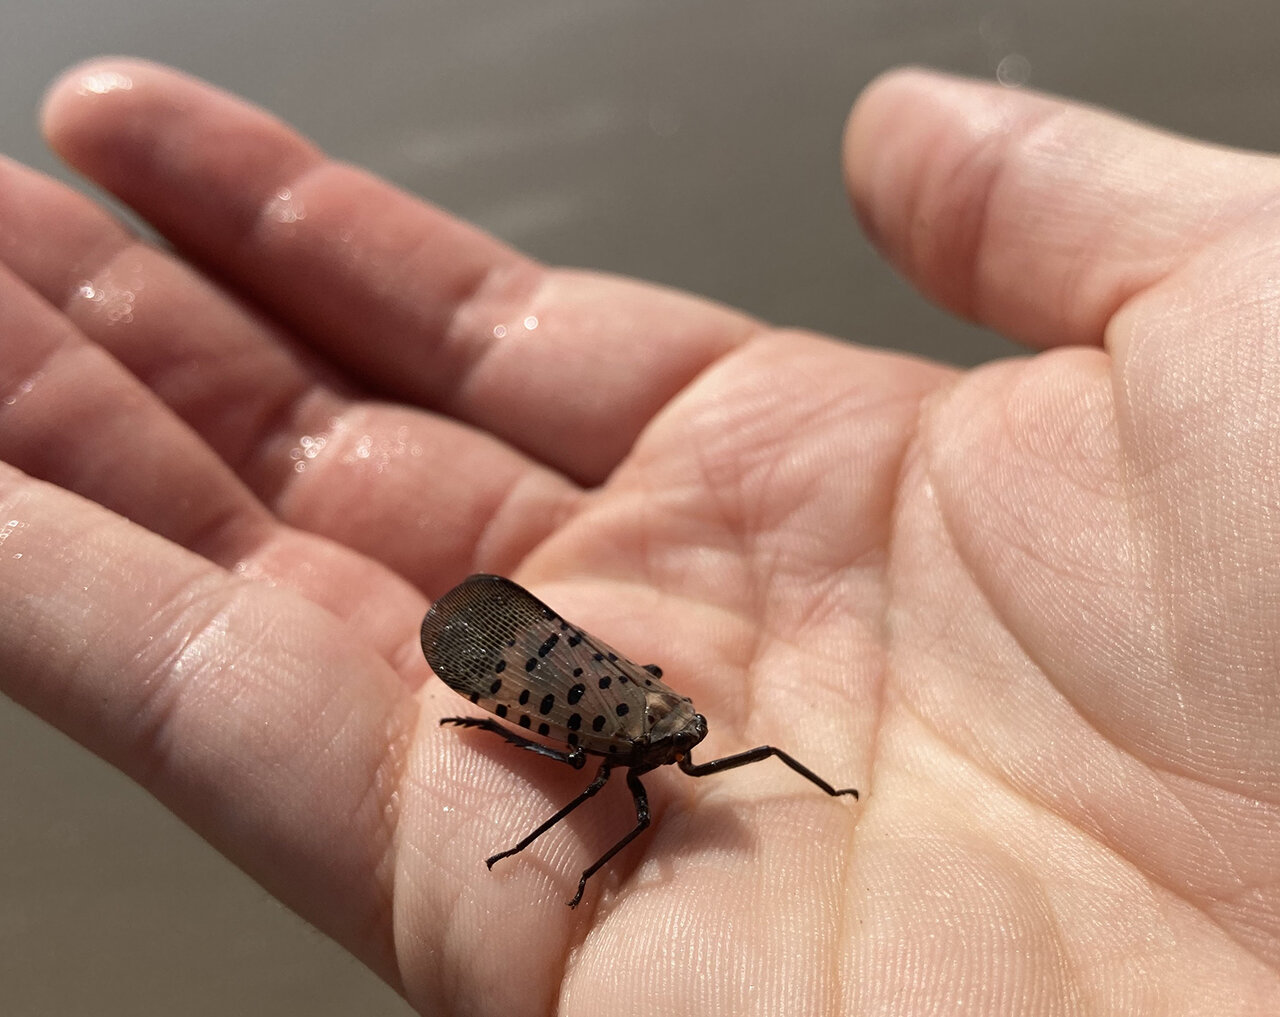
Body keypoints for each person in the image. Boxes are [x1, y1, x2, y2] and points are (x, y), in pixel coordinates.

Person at [1, 58, 1276, 1015]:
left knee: (559, 730)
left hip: (533, 662)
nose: (683, 745)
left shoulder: (661, 767)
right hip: (524, 660)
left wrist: (599, 807)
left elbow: (635, 794)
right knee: (549, 725)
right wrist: (537, 801)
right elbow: (604, 787)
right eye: (678, 738)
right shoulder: (644, 766)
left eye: (677, 741)